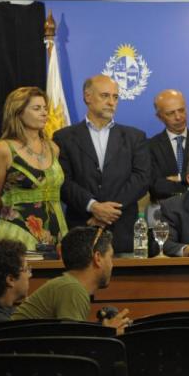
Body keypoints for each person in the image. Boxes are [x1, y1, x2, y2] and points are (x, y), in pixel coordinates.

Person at [54, 75, 150, 253]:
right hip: (82, 228)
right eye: (105, 96)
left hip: (123, 232)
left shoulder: (135, 137)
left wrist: (108, 213)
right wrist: (93, 207)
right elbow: (62, 181)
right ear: (87, 97)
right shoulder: (64, 137)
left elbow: (142, 179)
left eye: (115, 97)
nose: (111, 102)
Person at [0, 87, 67, 250]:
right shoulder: (3, 149)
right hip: (18, 234)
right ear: (18, 112)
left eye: (45, 109)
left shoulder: (53, 148)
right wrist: (16, 215)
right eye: (36, 108)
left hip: (58, 233)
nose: (44, 113)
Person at [13, 226, 131, 332]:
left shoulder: (69, 285)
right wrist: (108, 333)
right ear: (98, 258)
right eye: (110, 257)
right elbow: (73, 347)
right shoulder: (72, 289)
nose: (112, 265)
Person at [147, 89, 189, 201]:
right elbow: (156, 186)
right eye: (171, 113)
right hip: (164, 209)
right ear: (159, 117)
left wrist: (180, 177)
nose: (178, 117)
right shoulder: (149, 147)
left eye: (181, 110)